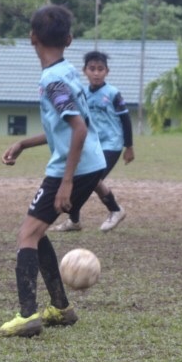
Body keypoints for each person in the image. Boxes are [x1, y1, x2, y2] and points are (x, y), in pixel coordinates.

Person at [0, 5, 108, 337]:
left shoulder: (52, 80)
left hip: (72, 169)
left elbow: (78, 129)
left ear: (32, 38)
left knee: (26, 236)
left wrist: (66, 182)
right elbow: (70, 125)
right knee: (37, 232)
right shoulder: (69, 73)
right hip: (91, 163)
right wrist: (24, 144)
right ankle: (60, 307)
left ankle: (27, 316)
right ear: (69, 40)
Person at [51, 50, 133, 232]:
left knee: (91, 180)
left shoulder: (113, 93)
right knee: (83, 179)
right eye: (92, 69)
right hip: (91, 144)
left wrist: (129, 146)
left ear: (107, 71)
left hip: (111, 144)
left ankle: (115, 210)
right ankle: (75, 220)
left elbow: (126, 120)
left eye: (100, 69)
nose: (96, 73)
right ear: (85, 70)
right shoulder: (82, 93)